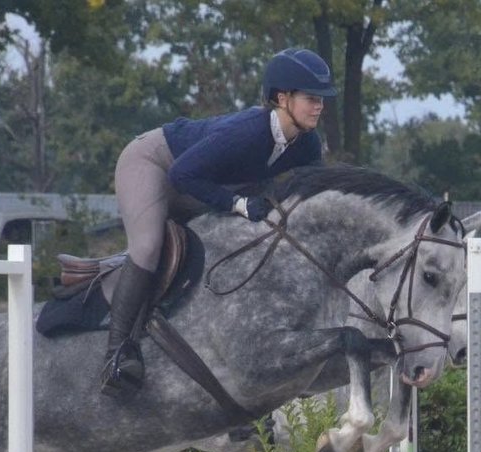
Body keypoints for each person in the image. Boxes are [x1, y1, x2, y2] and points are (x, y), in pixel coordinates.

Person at [101, 47, 337, 400]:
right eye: (310, 98)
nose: (318, 106)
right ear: (281, 98)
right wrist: (238, 203)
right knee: (148, 246)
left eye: (321, 99)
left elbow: (318, 192)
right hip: (155, 163)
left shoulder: (306, 144)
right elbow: (181, 174)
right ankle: (116, 354)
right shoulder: (248, 131)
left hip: (198, 182)